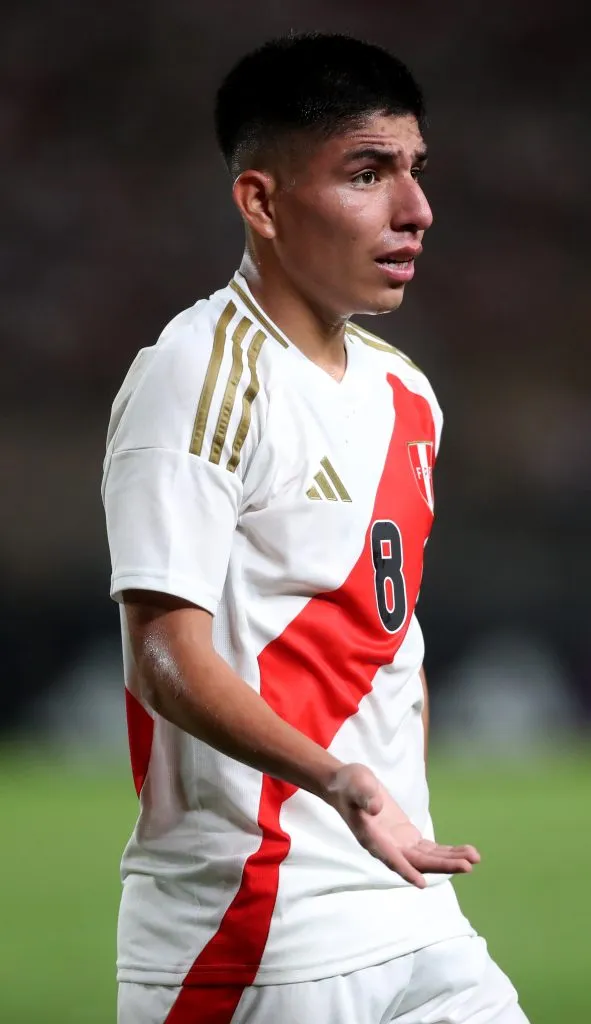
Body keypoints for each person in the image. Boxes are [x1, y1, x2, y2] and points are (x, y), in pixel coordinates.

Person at [103, 32, 529, 1024]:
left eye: (415, 170)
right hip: (259, 932)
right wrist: (337, 778)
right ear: (260, 202)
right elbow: (162, 655)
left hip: (412, 907)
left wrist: (392, 801)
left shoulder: (406, 392)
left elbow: (389, 638)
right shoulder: (198, 375)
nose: (414, 209)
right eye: (366, 174)